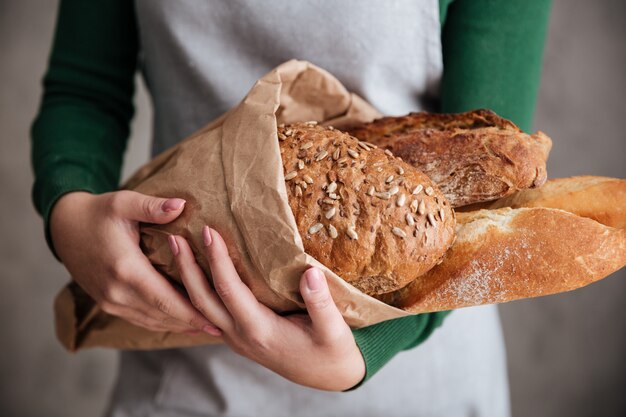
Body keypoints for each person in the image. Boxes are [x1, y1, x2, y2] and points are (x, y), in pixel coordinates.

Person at [31, 0, 551, 416]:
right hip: (185, 339)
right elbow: (86, 89)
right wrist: (71, 212)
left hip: (412, 365)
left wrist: (364, 354)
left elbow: (493, 191)